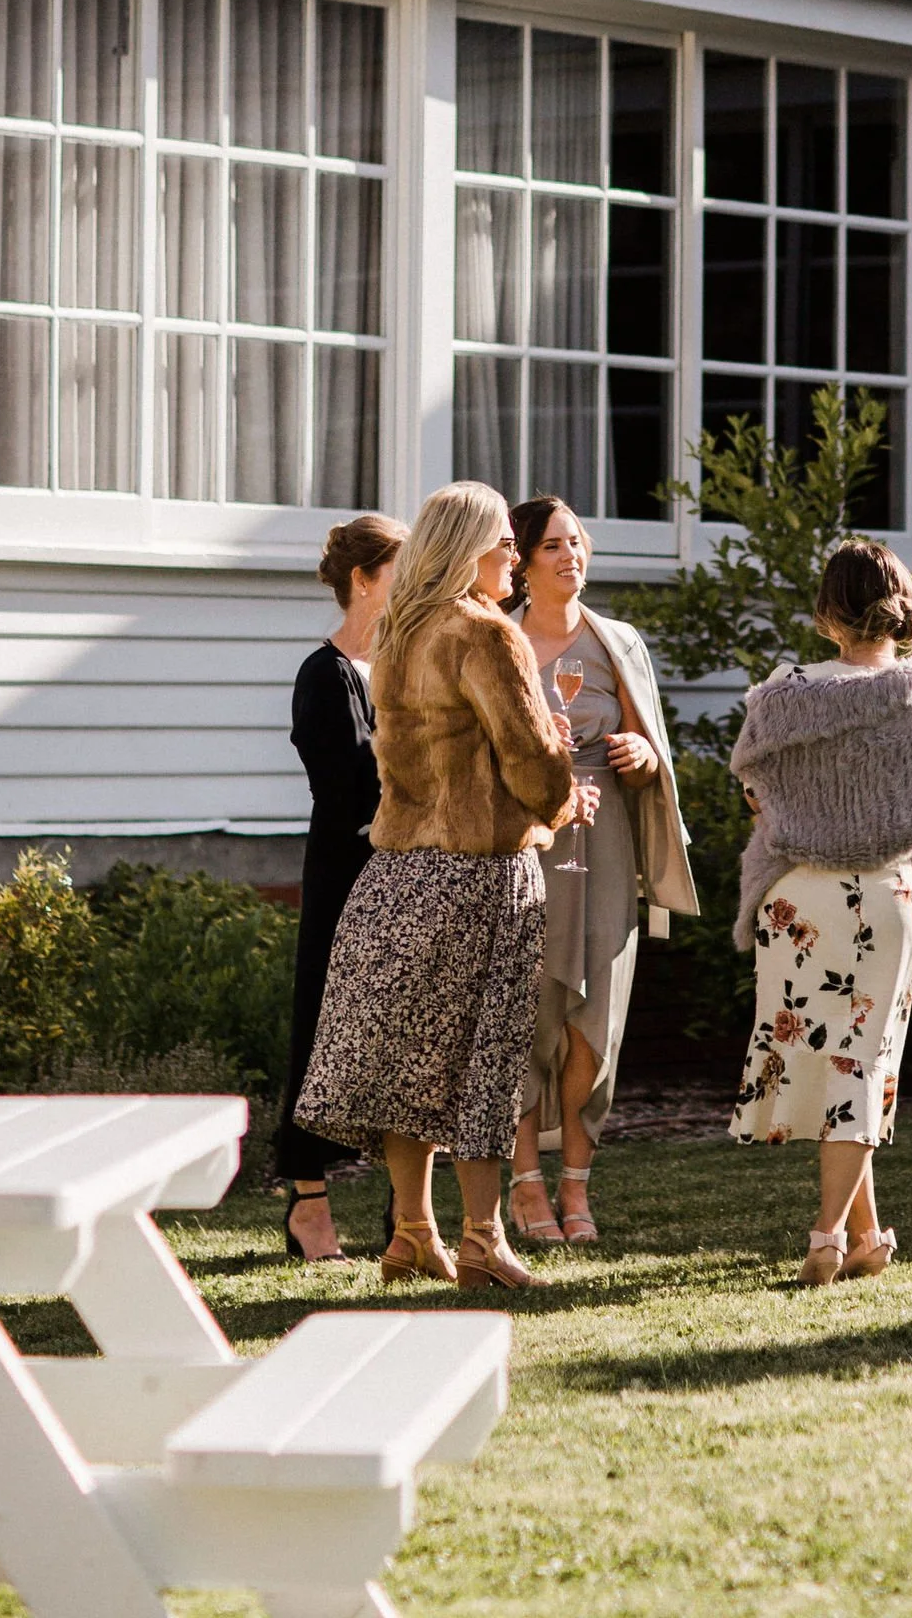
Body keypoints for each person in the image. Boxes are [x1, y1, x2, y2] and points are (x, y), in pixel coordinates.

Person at [294, 481, 583, 1291]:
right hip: (479, 872)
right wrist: (563, 797)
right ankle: (484, 1239)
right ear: (469, 550)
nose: (515, 564)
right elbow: (531, 760)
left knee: (411, 1063)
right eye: (505, 548)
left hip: (396, 874)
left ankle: (413, 1232)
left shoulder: (398, 631)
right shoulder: (485, 633)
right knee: (485, 1060)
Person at [727, 539, 912, 1285]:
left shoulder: (783, 693)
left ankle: (860, 1236)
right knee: (862, 1059)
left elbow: (754, 792)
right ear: (901, 606)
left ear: (829, 610)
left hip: (798, 896)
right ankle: (833, 1236)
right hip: (884, 895)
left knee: (829, 1058)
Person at [502, 494, 699, 1249]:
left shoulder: (619, 641)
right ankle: (526, 1185)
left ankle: (577, 1186)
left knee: (597, 1023)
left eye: (577, 542)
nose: (571, 556)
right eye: (553, 545)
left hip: (607, 841)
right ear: (522, 561)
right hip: (526, 842)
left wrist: (643, 755)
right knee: (528, 1015)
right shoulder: (500, 641)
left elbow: (652, 756)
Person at [275, 510, 407, 1264]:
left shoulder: (406, 665)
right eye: (399, 572)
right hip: (345, 878)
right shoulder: (322, 675)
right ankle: (309, 1204)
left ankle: (408, 1211)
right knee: (323, 1032)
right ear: (363, 580)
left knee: (403, 1037)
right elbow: (349, 788)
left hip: (406, 873)